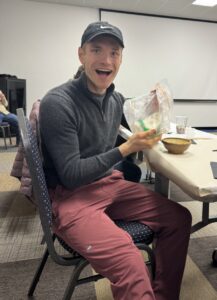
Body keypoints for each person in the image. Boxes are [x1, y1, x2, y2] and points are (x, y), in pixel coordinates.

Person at [39, 21, 192, 300]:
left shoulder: (114, 99)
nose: (106, 60)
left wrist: (154, 105)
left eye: (115, 52)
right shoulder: (58, 103)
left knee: (179, 218)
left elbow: (139, 126)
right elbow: (71, 173)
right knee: (129, 261)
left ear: (121, 58)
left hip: (109, 185)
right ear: (81, 54)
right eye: (96, 49)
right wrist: (124, 151)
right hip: (70, 196)